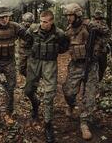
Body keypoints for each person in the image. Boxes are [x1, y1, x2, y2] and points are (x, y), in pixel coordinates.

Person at [62, 3, 110, 140]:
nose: (68, 18)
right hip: (76, 65)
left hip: (92, 64)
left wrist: (98, 28)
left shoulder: (90, 25)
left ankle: (84, 123)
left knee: (89, 96)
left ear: (77, 15)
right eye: (67, 16)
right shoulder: (69, 30)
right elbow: (64, 45)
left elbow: (106, 33)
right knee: (68, 91)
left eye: (70, 15)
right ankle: (71, 105)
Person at [24, 9, 70, 143]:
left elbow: (65, 46)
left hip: (50, 64)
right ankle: (35, 103)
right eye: (41, 21)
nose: (42, 24)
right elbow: (26, 42)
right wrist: (26, 59)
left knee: (49, 94)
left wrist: (55, 50)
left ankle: (48, 124)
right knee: (28, 90)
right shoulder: (32, 29)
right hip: (34, 63)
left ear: (51, 21)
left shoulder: (59, 33)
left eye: (45, 22)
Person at [92, 9, 112, 81]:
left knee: (102, 67)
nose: (98, 21)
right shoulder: (91, 24)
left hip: (101, 50)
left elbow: (108, 35)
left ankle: (98, 81)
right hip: (94, 50)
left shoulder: (103, 25)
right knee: (96, 67)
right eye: (97, 19)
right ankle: (96, 81)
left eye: (99, 19)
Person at [18, 12, 35, 77]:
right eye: (26, 21)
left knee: (31, 68)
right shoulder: (20, 27)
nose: (27, 23)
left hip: (31, 50)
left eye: (29, 22)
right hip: (22, 51)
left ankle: (30, 82)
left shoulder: (34, 28)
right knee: (21, 68)